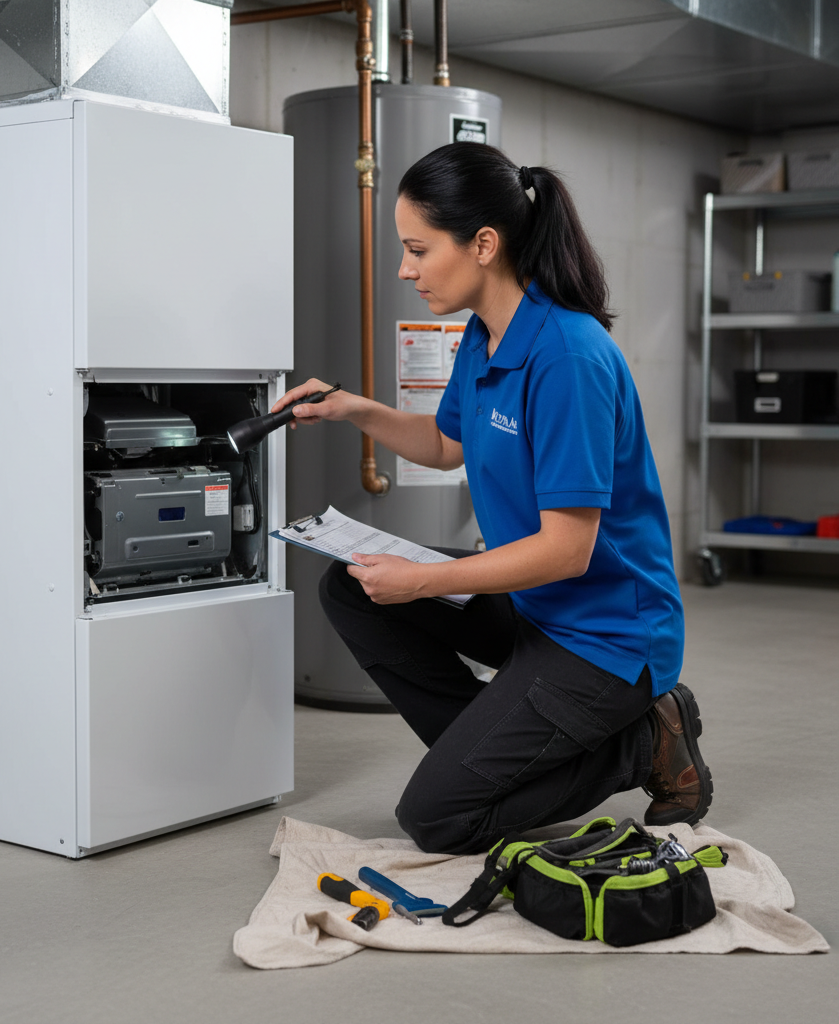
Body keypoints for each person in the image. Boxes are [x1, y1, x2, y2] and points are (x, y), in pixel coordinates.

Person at [274, 143, 711, 856]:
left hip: (606, 638)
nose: (404, 268)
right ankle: (499, 747)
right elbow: (448, 443)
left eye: (418, 249)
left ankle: (640, 744)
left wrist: (424, 580)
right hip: (537, 610)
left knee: (440, 819)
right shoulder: (484, 336)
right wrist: (353, 408)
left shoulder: (568, 356)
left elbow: (568, 552)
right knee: (350, 587)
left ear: (483, 244)